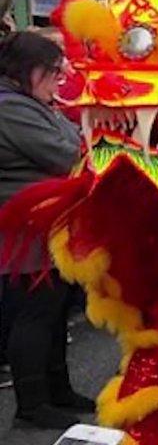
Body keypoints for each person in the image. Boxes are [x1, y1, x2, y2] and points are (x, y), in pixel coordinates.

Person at [0, 31, 91, 430]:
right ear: (25, 70)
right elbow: (69, 153)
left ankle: (59, 389)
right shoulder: (10, 108)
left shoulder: (31, 103)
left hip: (48, 226)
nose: (60, 78)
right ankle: (32, 404)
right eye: (52, 70)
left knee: (54, 313)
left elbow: (75, 142)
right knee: (35, 314)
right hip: (25, 231)